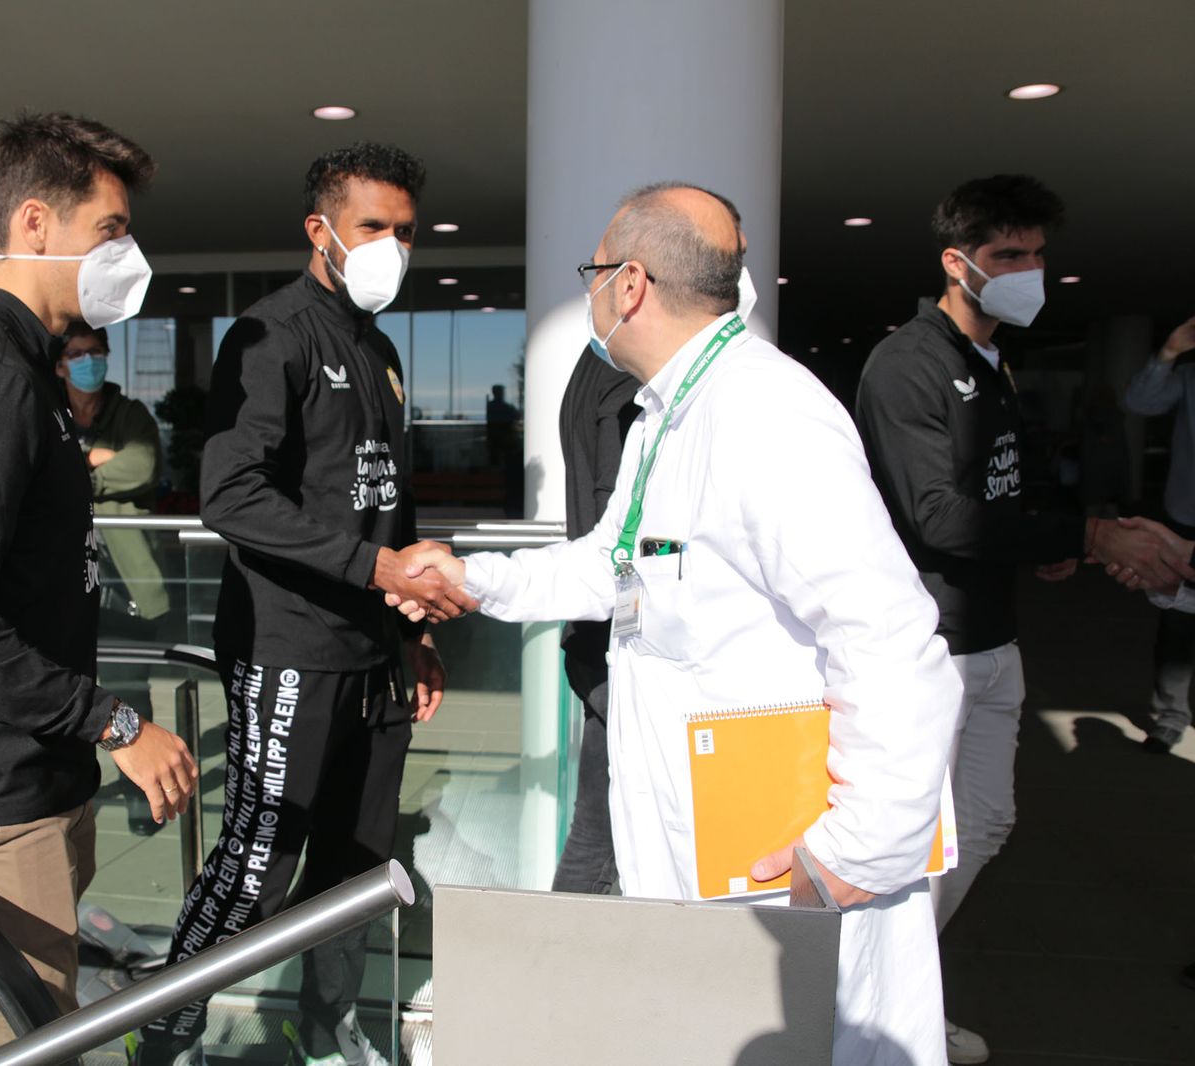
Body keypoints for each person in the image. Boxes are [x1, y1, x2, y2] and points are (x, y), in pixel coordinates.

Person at [394, 181, 961, 1065]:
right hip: (720, 862)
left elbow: (892, 640)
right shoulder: (671, 413)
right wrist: (474, 577)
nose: (588, 295)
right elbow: (616, 564)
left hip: (797, 870)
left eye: (591, 273)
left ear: (628, 284)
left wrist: (858, 850)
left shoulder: (767, 415)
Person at [135, 143, 471, 1066]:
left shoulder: (379, 346)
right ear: (320, 228)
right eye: (374, 228)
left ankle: (327, 1027)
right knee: (257, 865)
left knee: (358, 867)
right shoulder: (271, 335)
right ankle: (162, 1034)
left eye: (406, 232)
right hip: (288, 648)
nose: (393, 248)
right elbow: (231, 496)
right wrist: (376, 572)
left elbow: (388, 503)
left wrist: (413, 633)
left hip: (375, 658)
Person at [854, 176, 1195, 1063]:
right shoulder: (908, 366)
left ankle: (893, 998)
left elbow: (1002, 498)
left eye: (1038, 254)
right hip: (930, 646)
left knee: (987, 826)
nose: (1029, 271)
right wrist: (1088, 532)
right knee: (903, 848)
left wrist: (1055, 544)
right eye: (1009, 256)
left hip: (995, 637)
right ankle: (869, 1011)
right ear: (955, 261)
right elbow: (938, 515)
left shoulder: (992, 361)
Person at [0, 111, 197, 1065]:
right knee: (6, 1041)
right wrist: (117, 725)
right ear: (31, 225)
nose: (126, 254)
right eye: (109, 231)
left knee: (41, 1027)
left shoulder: (31, 374)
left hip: (33, 777)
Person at [57, 321, 171, 833]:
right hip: (62, 577)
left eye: (96, 352)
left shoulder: (131, 415)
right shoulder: (47, 410)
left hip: (127, 580)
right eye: (78, 353)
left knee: (131, 689)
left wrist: (76, 472)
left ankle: (139, 796)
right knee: (61, 688)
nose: (89, 361)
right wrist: (98, 465)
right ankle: (69, 792)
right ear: (60, 364)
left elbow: (143, 467)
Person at [550, 345, 638, 896]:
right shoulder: (628, 385)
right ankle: (554, 977)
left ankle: (552, 974)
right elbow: (630, 541)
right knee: (602, 847)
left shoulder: (595, 367)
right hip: (626, 646)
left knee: (596, 836)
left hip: (606, 639)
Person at [1122, 314, 1195, 753]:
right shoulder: (1187, 376)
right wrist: (1169, 352)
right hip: (1186, 518)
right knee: (1178, 625)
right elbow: (1140, 402)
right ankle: (1171, 716)